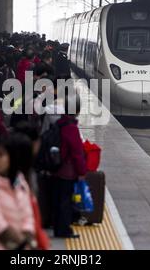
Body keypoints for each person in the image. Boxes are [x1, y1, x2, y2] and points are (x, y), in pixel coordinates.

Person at [51, 94, 87, 238]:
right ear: (77, 110)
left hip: (57, 167)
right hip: (68, 170)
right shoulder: (71, 128)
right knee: (66, 201)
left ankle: (57, 227)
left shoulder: (59, 123)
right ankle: (64, 230)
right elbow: (77, 153)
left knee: (59, 198)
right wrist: (82, 171)